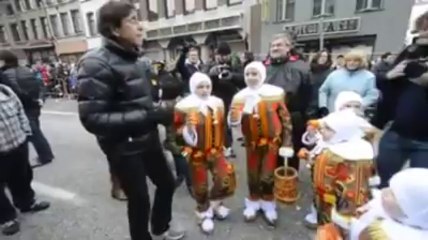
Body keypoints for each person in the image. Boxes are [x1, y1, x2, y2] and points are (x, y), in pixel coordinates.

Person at [76, 2, 184, 240]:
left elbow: (145, 99)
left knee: (167, 183)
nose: (141, 26)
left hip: (149, 138)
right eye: (133, 20)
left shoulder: (139, 60)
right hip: (123, 146)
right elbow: (92, 118)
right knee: (139, 200)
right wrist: (149, 116)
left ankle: (160, 227)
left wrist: (169, 88)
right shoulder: (95, 63)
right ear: (114, 29)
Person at [228, 61, 293, 227]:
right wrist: (236, 117)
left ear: (262, 75)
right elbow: (233, 122)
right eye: (248, 74)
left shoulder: (275, 94)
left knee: (267, 175)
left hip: (271, 143)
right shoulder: (239, 96)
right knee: (253, 174)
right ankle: (254, 200)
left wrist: (287, 142)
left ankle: (268, 202)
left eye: (254, 74)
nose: (251, 77)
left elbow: (286, 119)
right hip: (252, 144)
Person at [174, 72, 236, 234]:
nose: (205, 90)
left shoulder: (218, 103)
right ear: (193, 87)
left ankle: (216, 204)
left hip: (216, 151)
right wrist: (188, 129)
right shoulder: (184, 106)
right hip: (197, 154)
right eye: (200, 87)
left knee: (224, 178)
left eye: (207, 86)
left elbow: (223, 126)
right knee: (200, 186)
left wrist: (226, 145)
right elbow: (176, 130)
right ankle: (203, 212)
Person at [375, 11, 428, 188]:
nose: (424, 31)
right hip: (397, 132)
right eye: (423, 27)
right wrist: (388, 76)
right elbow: (386, 85)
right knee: (383, 183)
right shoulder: (411, 51)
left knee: (419, 190)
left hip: (425, 141)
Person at [309, 110, 375, 227]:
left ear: (342, 132)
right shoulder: (366, 149)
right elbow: (371, 177)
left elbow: (322, 183)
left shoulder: (332, 155)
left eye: (328, 129)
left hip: (333, 204)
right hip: (359, 206)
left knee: (331, 230)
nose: (322, 130)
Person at [0, 83, 50, 236]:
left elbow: (20, 111)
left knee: (22, 177)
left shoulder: (4, 90)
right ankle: (7, 218)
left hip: (18, 143)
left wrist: (25, 133)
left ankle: (26, 202)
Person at [265, 33, 311, 171]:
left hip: (293, 115)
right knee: (270, 149)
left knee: (290, 152)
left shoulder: (301, 67)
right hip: (268, 115)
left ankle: (288, 182)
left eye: (279, 45)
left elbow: (309, 93)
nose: (275, 48)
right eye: (273, 45)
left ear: (288, 47)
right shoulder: (263, 68)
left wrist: (309, 118)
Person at [0, 50, 54, 167]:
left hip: (25, 106)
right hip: (34, 105)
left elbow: (14, 91)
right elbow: (40, 85)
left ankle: (45, 155)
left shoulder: (7, 74)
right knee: (35, 130)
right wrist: (39, 99)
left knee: (32, 133)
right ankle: (44, 155)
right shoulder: (26, 70)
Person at [349, 168, 428, 240]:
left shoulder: (382, 234)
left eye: (393, 194)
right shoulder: (394, 210)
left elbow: (356, 232)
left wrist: (350, 223)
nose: (384, 191)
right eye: (389, 187)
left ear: (408, 213)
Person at [205, 42, 245, 157]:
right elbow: (201, 80)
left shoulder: (235, 65)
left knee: (228, 123)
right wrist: (211, 74)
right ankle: (219, 145)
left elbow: (243, 80)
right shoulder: (209, 65)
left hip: (230, 98)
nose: (222, 58)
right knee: (217, 123)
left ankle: (227, 146)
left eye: (225, 55)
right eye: (220, 55)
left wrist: (232, 75)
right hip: (214, 98)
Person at [318, 50, 379, 115]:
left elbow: (372, 95)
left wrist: (359, 105)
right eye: (349, 60)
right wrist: (323, 106)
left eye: (355, 61)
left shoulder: (369, 77)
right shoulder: (334, 74)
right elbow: (323, 91)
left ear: (361, 62)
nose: (352, 63)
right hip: (333, 113)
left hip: (355, 115)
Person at [308, 50, 333, 118]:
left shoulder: (331, 73)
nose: (323, 58)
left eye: (325, 56)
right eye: (321, 56)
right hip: (311, 102)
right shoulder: (309, 71)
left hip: (325, 103)